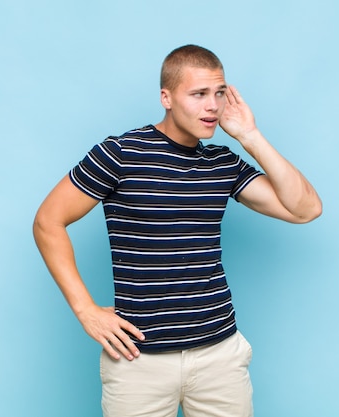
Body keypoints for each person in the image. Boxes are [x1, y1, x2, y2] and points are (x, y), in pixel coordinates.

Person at [33, 44, 322, 417]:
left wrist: (249, 135)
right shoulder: (121, 153)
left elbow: (306, 209)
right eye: (199, 94)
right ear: (166, 98)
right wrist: (85, 309)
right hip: (139, 362)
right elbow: (48, 221)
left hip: (219, 357)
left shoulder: (222, 163)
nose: (213, 106)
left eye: (219, 93)